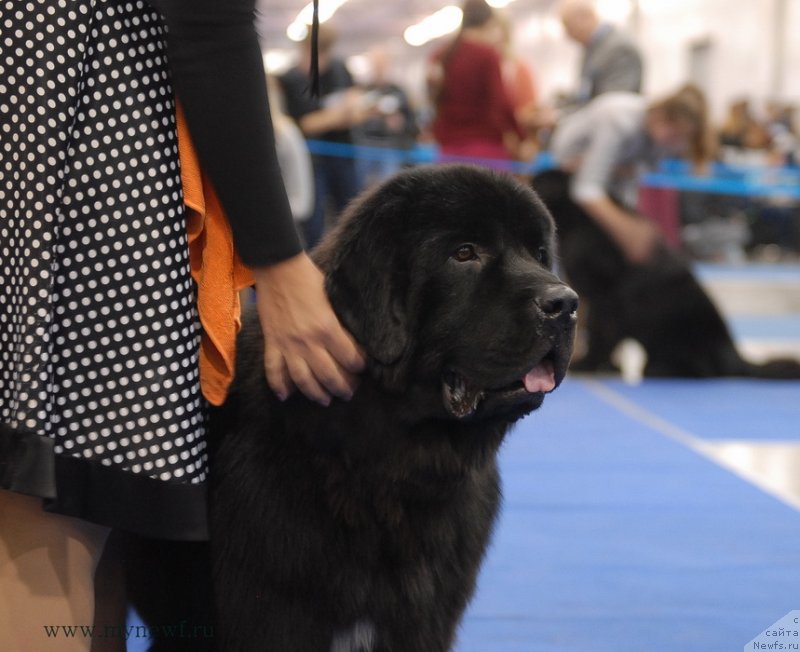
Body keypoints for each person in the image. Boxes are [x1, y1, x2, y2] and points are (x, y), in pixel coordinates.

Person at [0, 0, 364, 648]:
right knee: (45, 516)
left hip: (71, 150)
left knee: (93, 516)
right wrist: (279, 262)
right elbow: (208, 22)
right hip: (77, 163)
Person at [548, 84, 715, 263]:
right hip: (563, 172)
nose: (676, 144)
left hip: (605, 177)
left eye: (683, 138)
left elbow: (632, 177)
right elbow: (586, 189)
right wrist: (628, 229)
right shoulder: (619, 120)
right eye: (675, 134)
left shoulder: (659, 137)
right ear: (661, 116)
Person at [279, 24, 371, 249]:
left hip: (343, 156)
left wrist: (330, 117)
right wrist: (338, 115)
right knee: (313, 219)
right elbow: (306, 125)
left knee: (353, 212)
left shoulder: (340, 69)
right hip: (312, 160)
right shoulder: (291, 79)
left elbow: (356, 110)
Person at [428, 0, 525, 165]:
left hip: (448, 150)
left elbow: (434, 100)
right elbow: (501, 102)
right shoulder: (487, 55)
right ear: (488, 22)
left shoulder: (440, 56)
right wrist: (521, 136)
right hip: (485, 149)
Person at [352, 47, 419, 187]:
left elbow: (411, 121)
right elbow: (352, 118)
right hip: (364, 145)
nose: (379, 67)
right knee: (359, 186)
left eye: (382, 63)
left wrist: (401, 123)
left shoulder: (399, 92)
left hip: (390, 146)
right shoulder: (361, 91)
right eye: (376, 63)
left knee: (389, 186)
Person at [559, 0, 643, 108]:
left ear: (584, 18)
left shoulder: (620, 49)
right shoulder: (592, 49)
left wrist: (560, 117)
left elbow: (612, 106)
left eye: (568, 27)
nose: (568, 35)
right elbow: (585, 95)